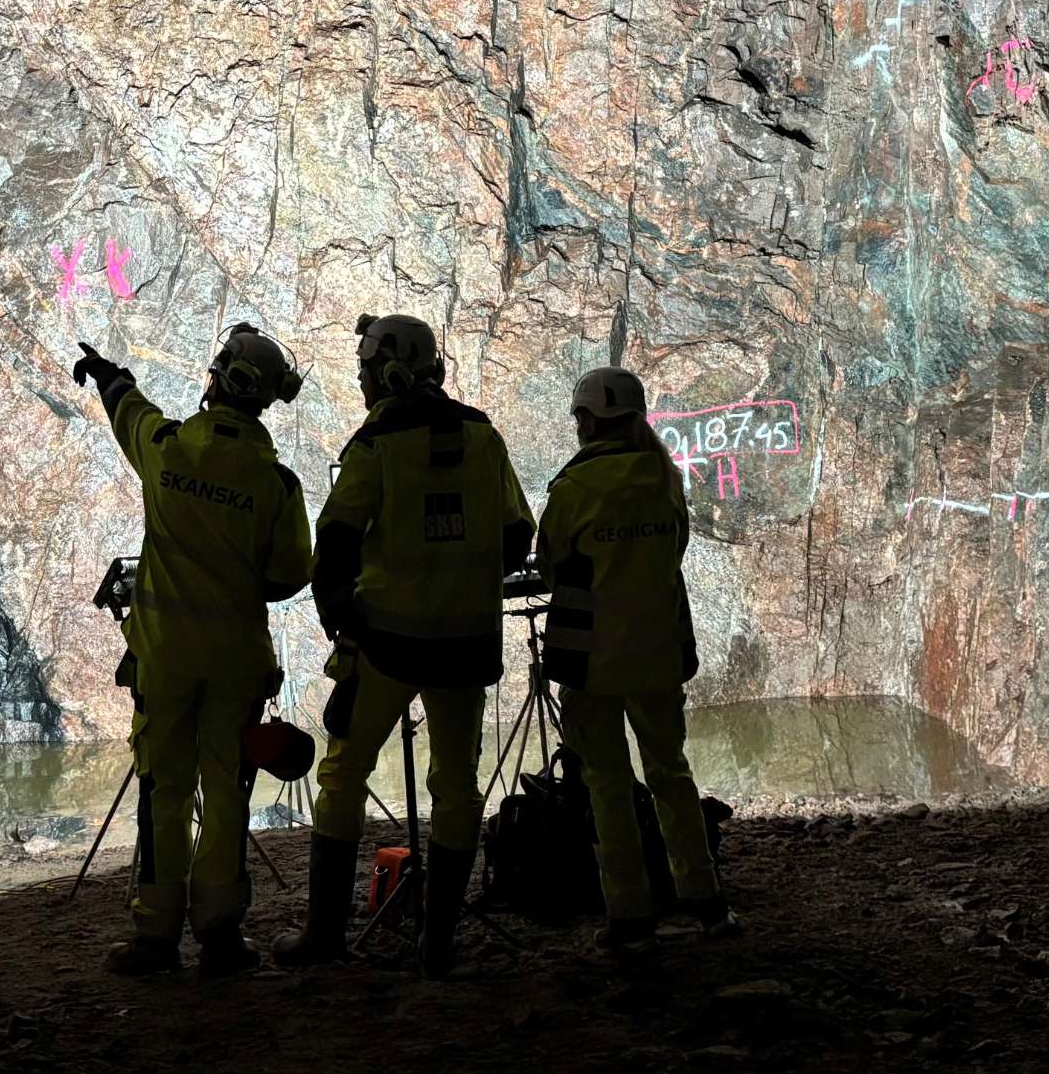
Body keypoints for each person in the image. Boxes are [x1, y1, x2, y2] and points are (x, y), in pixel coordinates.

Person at [273, 313, 535, 979]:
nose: (362, 382)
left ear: (388, 371)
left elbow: (332, 542)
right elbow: (514, 536)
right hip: (464, 645)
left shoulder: (377, 442)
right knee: (456, 786)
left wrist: (345, 621)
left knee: (341, 775)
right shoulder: (484, 436)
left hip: (387, 644)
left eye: (365, 370)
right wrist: (461, 580)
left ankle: (326, 936)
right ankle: (438, 943)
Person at [73, 323, 313, 979]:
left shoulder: (171, 449)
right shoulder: (276, 484)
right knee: (227, 790)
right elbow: (291, 572)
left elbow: (133, 415)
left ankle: (154, 934)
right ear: (264, 399)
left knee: (164, 789)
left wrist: (108, 374)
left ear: (217, 378)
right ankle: (220, 934)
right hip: (236, 663)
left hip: (165, 658)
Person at [538, 366, 736, 953]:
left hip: (592, 658)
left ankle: (629, 911)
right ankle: (705, 901)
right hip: (656, 651)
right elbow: (674, 547)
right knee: (671, 772)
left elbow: (550, 561)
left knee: (607, 783)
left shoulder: (575, 487)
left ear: (589, 419)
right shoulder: (664, 474)